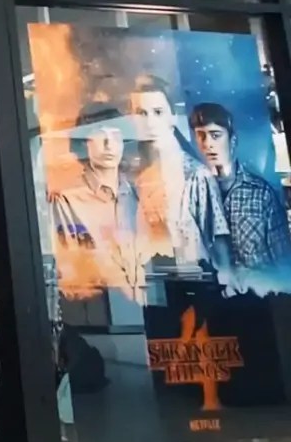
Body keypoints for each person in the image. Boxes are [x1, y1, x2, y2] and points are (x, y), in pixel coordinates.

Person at [128, 74, 229, 272]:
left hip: (195, 278)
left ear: (172, 116)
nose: (150, 122)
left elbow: (218, 241)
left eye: (158, 112)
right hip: (154, 279)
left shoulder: (196, 175)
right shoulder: (138, 178)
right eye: (141, 113)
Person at [50, 105, 142, 297]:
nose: (109, 144)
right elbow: (69, 271)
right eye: (100, 135)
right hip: (97, 303)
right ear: (85, 142)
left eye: (116, 136)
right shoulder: (67, 199)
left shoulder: (137, 194)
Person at [190, 102, 291, 271]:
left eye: (215, 135)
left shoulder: (261, 194)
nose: (208, 144)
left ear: (232, 140)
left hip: (261, 286)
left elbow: (283, 262)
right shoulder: (192, 195)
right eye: (201, 136)